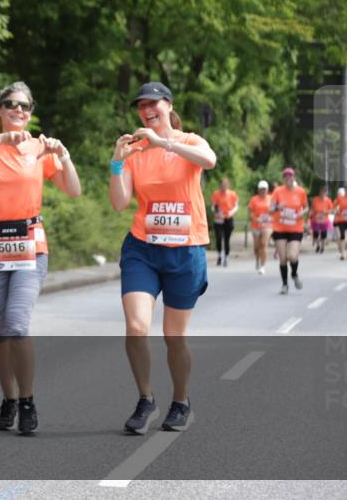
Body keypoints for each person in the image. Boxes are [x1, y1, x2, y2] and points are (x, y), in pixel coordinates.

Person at [0, 81, 81, 435]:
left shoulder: (40, 148)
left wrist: (63, 155)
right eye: (10, 104)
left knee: (17, 326)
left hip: (30, 245)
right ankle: (9, 398)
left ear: (31, 112)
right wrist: (2, 140)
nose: (18, 110)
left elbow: (73, 189)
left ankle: (27, 400)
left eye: (25, 106)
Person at [109, 82, 216, 434]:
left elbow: (210, 161)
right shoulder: (136, 151)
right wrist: (117, 161)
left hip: (186, 250)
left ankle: (181, 401)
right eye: (141, 105)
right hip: (143, 248)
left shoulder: (190, 141)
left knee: (174, 337)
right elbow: (120, 202)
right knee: (136, 327)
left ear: (168, 105)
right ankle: (146, 399)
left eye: (152, 103)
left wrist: (164, 143)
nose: (146, 110)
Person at [270, 168, 308, 294]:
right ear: (283, 179)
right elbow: (270, 209)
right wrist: (278, 207)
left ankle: (294, 274)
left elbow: (306, 207)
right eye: (285, 177)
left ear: (294, 178)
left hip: (295, 228)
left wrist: (301, 213)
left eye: (290, 176)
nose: (288, 179)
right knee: (282, 258)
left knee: (292, 256)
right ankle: (285, 284)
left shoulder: (301, 192)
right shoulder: (278, 191)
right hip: (279, 228)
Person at [211, 178, 239, 267]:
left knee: (226, 239)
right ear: (220, 185)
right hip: (219, 219)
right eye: (222, 185)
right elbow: (213, 206)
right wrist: (216, 211)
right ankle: (219, 255)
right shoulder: (216, 194)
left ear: (228, 185)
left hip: (228, 218)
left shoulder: (232, 194)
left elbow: (236, 206)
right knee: (219, 238)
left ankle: (226, 257)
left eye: (225, 185)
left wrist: (232, 212)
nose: (223, 187)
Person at [247, 181, 273, 274]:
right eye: (261, 189)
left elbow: (275, 211)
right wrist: (256, 219)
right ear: (258, 190)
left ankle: (263, 266)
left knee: (263, 244)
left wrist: (271, 216)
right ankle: (257, 259)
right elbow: (250, 212)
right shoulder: (254, 199)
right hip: (256, 225)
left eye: (264, 189)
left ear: (267, 189)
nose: (263, 191)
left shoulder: (271, 198)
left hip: (267, 225)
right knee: (256, 247)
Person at [310, 186, 333, 254]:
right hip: (316, 219)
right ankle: (318, 245)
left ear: (325, 194)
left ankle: (322, 247)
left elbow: (331, 210)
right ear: (319, 193)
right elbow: (312, 208)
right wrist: (311, 213)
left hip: (324, 220)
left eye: (323, 193)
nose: (322, 194)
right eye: (321, 192)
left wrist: (326, 211)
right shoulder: (315, 199)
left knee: (323, 234)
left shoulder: (328, 200)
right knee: (316, 234)